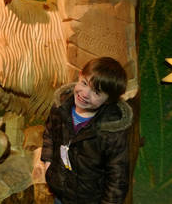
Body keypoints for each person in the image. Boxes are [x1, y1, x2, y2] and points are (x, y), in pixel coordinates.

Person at [41, 57, 133, 204]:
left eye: (96, 92)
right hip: (60, 192)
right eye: (84, 83)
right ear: (79, 75)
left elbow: (117, 178)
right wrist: (48, 164)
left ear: (108, 100)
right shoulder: (60, 107)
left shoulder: (112, 131)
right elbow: (49, 134)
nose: (84, 93)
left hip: (89, 199)